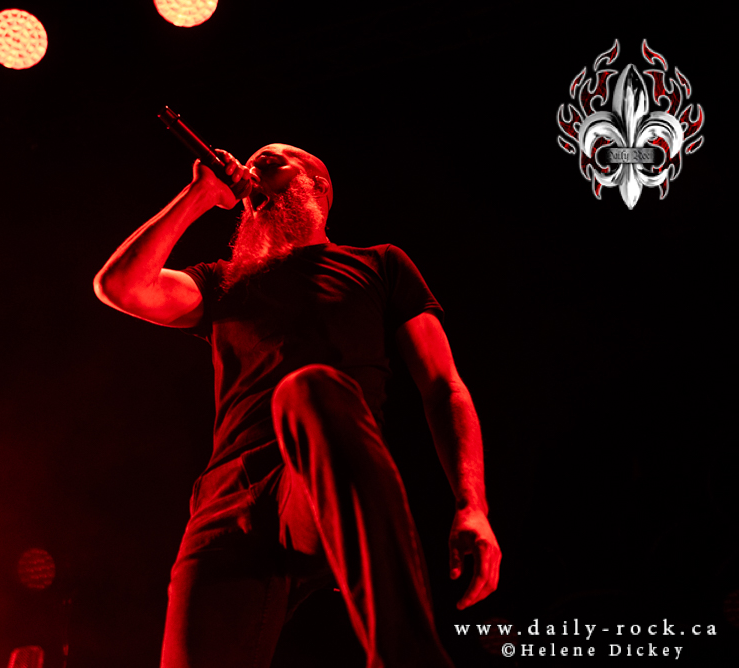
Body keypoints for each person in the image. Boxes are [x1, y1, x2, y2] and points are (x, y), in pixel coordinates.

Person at [93, 143, 501, 668]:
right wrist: (200, 195)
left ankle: (405, 649)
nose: (252, 171)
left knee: (309, 389)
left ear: (318, 187)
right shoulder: (224, 281)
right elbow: (120, 287)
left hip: (317, 479)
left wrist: (472, 505)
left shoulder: (379, 265)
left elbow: (444, 387)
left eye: (270, 162)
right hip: (227, 501)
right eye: (251, 165)